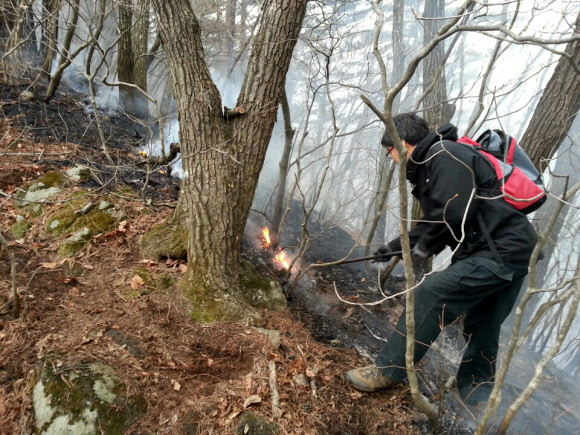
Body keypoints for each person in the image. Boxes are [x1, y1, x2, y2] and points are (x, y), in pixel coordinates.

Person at [345, 113, 538, 405]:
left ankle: (388, 369)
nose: (390, 156)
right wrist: (398, 247)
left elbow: (451, 215)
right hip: (514, 251)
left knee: (431, 292)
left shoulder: (443, 154)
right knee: (483, 325)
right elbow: (447, 218)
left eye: (390, 150)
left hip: (500, 251)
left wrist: (417, 248)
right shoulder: (444, 155)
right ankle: (475, 397)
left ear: (402, 143)